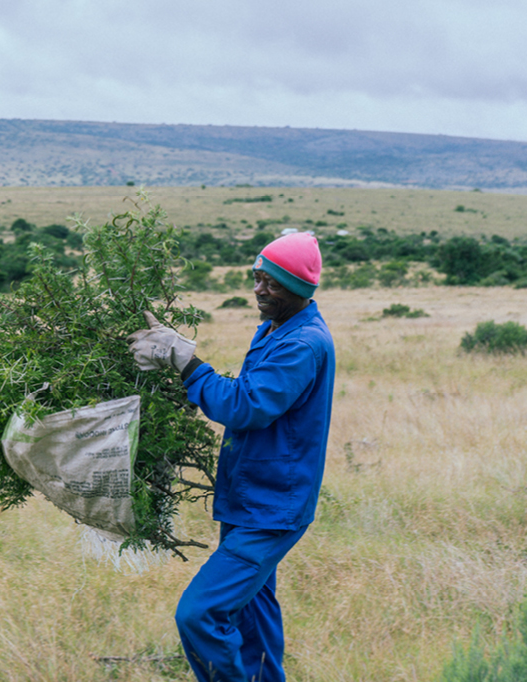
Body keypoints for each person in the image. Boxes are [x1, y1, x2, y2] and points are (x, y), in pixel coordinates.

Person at [127, 232, 335, 682]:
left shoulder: (302, 345)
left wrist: (188, 365)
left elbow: (247, 406)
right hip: (250, 500)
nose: (259, 290)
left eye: (272, 283)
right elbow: (245, 396)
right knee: (252, 620)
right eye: (257, 278)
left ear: (300, 289)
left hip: (271, 509)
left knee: (200, 614)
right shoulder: (276, 330)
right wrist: (189, 384)